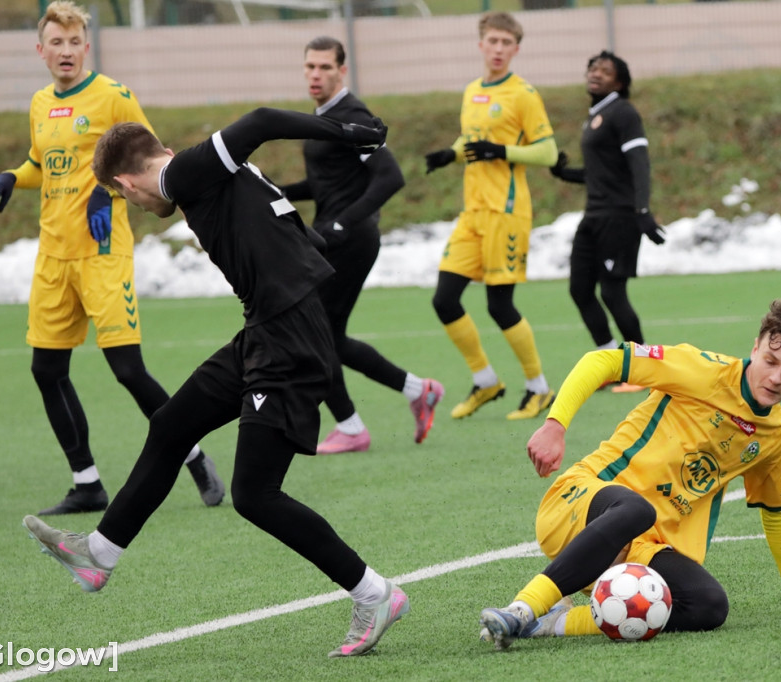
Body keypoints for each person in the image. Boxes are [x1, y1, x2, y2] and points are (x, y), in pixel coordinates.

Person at [23, 107, 409, 657]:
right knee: (171, 424)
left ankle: (375, 594)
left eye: (125, 198)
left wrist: (342, 133)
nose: (135, 206)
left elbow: (260, 120)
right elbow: (288, 226)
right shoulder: (215, 173)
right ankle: (99, 553)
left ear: (127, 181)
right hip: (267, 328)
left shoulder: (178, 176)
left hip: (286, 337)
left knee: (255, 495)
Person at [478, 299, 781, 650]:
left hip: (640, 549)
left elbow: (778, 512)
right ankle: (522, 609)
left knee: (708, 606)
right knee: (636, 509)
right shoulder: (700, 368)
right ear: (755, 346)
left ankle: (550, 623)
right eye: (770, 361)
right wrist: (555, 425)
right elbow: (604, 361)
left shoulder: (775, 436)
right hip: (579, 503)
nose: (776, 378)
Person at [0, 1, 223, 515]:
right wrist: (12, 176)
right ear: (40, 49)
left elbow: (155, 160)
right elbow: (40, 162)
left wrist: (105, 192)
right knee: (46, 370)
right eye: (56, 42)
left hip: (102, 255)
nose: (65, 51)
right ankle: (86, 481)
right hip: (54, 258)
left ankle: (194, 455)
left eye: (74, 42)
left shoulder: (114, 97)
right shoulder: (40, 102)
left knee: (128, 370)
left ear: (86, 47)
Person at [280, 36, 444, 454]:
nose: (315, 75)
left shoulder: (352, 116)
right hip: (333, 238)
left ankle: (351, 427)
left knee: (310, 332)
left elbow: (390, 177)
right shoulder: (325, 115)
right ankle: (416, 390)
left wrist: (341, 224)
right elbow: (325, 183)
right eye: (310, 67)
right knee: (328, 337)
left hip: (348, 241)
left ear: (342, 71)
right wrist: (270, 189)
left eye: (324, 68)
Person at [424, 11, 559, 421]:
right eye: (492, 41)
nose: (498, 49)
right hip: (473, 212)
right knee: (444, 299)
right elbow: (474, 138)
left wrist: (501, 152)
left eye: (506, 43)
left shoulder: (523, 94)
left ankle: (539, 388)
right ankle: (486, 380)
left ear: (516, 48)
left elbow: (548, 151)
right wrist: (451, 152)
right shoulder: (472, 91)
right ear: (480, 44)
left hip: (507, 211)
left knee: (500, 306)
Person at [549, 51, 667, 394]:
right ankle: (609, 359)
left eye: (605, 70)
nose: (595, 73)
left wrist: (642, 211)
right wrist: (564, 173)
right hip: (594, 216)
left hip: (619, 217)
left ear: (620, 82)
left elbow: (639, 164)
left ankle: (643, 371)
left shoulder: (623, 112)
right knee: (579, 289)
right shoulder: (596, 116)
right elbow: (601, 174)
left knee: (613, 293)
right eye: (592, 68)